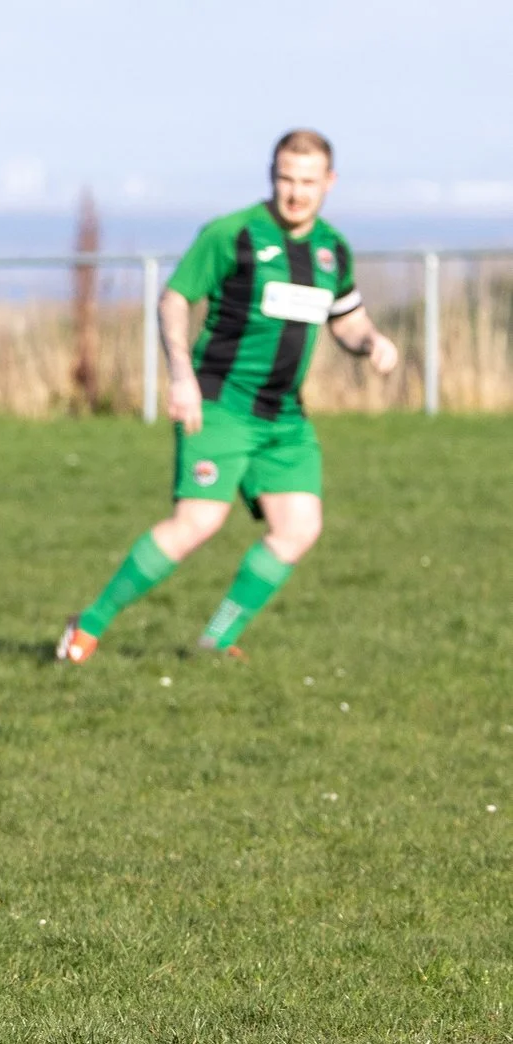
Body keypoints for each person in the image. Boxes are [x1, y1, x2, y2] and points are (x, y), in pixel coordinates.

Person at [58, 130, 400, 662]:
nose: (296, 193)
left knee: (299, 528)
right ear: (271, 175)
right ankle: (87, 626)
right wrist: (180, 375)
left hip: (283, 417)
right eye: (286, 178)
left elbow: (346, 318)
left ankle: (216, 641)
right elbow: (175, 299)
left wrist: (372, 342)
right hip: (220, 403)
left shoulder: (332, 249)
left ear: (329, 182)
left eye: (308, 182)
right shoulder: (233, 234)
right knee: (198, 522)